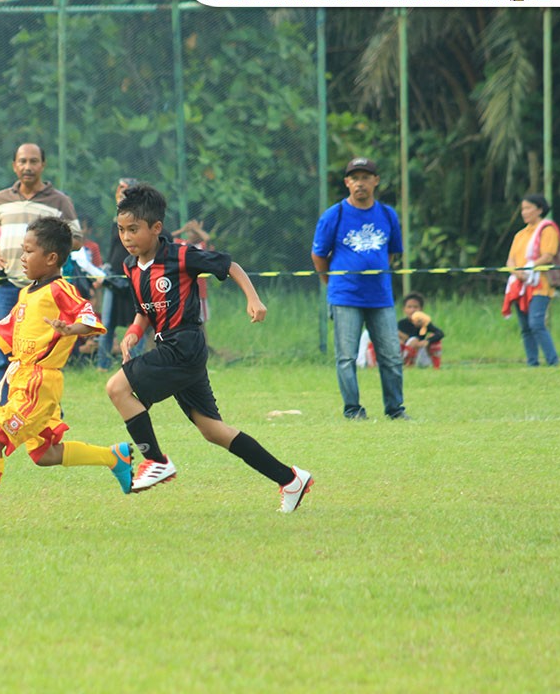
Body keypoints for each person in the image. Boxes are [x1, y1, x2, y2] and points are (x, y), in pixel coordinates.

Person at [104, 185, 312, 512]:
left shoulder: (180, 255)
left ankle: (156, 461)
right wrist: (133, 332)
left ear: (156, 228)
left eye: (134, 229)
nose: (127, 237)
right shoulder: (130, 266)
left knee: (117, 389)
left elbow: (230, 265)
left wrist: (253, 299)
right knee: (213, 430)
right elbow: (144, 311)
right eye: (121, 230)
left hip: (184, 345)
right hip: (174, 350)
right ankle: (290, 479)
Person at [0, 217, 133, 536]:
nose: (22, 257)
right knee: (45, 455)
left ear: (51, 258)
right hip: (23, 379)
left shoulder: (60, 290)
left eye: (28, 251)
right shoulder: (27, 293)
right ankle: (113, 457)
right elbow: (10, 330)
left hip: (38, 383)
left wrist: (71, 328)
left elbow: (87, 317)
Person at [0, 143, 80, 402]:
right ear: (14, 166)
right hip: (9, 285)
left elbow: (76, 239)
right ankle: (6, 409)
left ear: (43, 165)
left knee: (41, 353)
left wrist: (51, 243)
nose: (28, 166)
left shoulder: (59, 201)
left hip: (45, 291)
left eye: (33, 161)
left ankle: (43, 409)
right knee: (4, 348)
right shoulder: (0, 199)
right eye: (22, 161)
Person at [312, 157, 408, 420]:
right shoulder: (334, 215)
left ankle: (395, 409)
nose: (360, 183)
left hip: (380, 297)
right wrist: (332, 283)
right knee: (346, 357)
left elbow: (391, 253)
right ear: (347, 182)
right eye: (354, 178)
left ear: (376, 181)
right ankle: (353, 409)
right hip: (345, 297)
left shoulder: (387, 214)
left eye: (365, 177)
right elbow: (318, 255)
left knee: (391, 356)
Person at [502, 193, 559, 366]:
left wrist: (529, 267)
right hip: (520, 286)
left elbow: (548, 256)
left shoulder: (547, 230)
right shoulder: (520, 234)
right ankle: (532, 363)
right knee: (525, 327)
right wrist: (517, 272)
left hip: (540, 285)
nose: (524, 212)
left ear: (539, 210)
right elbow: (510, 260)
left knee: (536, 324)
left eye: (528, 208)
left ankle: (552, 361)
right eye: (523, 209)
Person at [96, 177, 143, 371]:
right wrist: (105, 268)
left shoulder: (141, 218)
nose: (120, 192)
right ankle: (102, 365)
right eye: (119, 188)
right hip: (114, 277)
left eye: (125, 189)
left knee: (138, 321)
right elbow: (113, 248)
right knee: (107, 323)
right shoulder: (117, 218)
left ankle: (135, 364)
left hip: (134, 276)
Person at [398, 292, 444, 368]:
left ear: (421, 309)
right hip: (405, 353)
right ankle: (406, 364)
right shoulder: (401, 323)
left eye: (415, 307)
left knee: (435, 340)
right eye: (409, 307)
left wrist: (427, 341)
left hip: (420, 354)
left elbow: (440, 333)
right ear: (404, 309)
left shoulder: (424, 323)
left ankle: (436, 366)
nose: (412, 310)